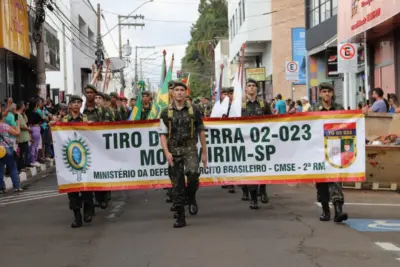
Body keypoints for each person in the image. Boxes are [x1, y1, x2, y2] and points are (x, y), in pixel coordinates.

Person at [159, 81, 207, 228]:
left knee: (193, 174)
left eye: (182, 90)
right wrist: (166, 152)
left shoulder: (194, 109)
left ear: (186, 93)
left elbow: (201, 131)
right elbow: (162, 134)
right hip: (174, 151)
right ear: (173, 93)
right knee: (177, 184)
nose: (179, 92)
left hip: (190, 148)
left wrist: (204, 152)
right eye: (177, 90)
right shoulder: (166, 112)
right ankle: (180, 217)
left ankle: (191, 195)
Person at [312, 82, 348, 223]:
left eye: (329, 91)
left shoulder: (339, 108)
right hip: (318, 149)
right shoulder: (314, 109)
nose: (327, 94)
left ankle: (338, 210)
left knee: (336, 178)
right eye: (324, 91)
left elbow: (349, 122)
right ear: (320, 93)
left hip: (335, 148)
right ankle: (325, 211)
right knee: (321, 181)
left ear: (333, 93)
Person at [63, 95, 94, 228]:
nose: (76, 105)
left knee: (86, 189)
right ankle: (77, 217)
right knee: (72, 191)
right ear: (69, 105)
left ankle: (88, 210)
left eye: (78, 102)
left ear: (81, 105)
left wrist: (92, 127)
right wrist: (53, 126)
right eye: (73, 102)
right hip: (70, 159)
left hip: (85, 159)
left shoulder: (86, 119)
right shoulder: (64, 120)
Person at [241, 78, 272, 209]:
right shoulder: (240, 106)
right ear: (246, 89)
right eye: (249, 86)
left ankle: (263, 190)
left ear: (257, 89)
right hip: (247, 143)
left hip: (261, 142)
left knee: (263, 168)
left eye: (254, 85)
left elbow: (272, 121)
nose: (252, 88)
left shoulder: (264, 104)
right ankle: (253, 198)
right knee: (251, 171)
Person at [83, 84, 111, 210]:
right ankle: (89, 206)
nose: (89, 95)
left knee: (100, 173)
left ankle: (102, 197)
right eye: (87, 92)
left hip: (100, 147)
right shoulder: (81, 110)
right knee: (88, 176)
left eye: (91, 92)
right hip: (84, 147)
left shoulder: (102, 111)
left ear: (95, 94)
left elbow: (108, 126)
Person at [0, 109, 22, 193]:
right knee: (12, 167)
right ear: (2, 117)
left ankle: (1, 188)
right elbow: (17, 133)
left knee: (0, 169)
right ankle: (16, 187)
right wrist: (18, 124)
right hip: (7, 149)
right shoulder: (5, 126)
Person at [16, 101, 32, 171]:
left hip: (25, 137)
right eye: (24, 105)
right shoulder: (17, 114)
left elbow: (26, 121)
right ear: (22, 106)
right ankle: (20, 167)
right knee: (21, 153)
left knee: (25, 151)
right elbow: (21, 126)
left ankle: (23, 166)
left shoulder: (21, 114)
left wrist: (24, 114)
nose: (25, 106)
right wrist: (28, 129)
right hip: (21, 137)